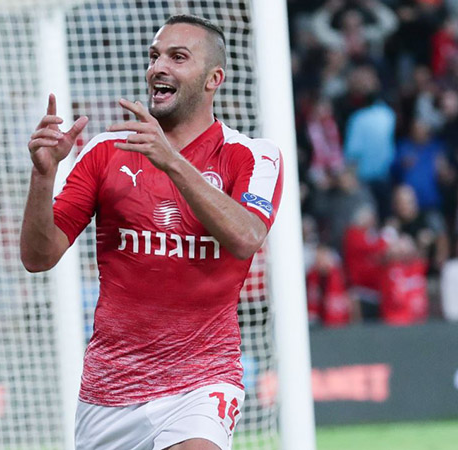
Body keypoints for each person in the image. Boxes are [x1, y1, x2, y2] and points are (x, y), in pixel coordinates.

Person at [20, 15, 283, 450]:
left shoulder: (253, 156)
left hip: (203, 378)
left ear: (213, 79)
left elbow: (246, 237)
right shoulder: (106, 151)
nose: (158, 67)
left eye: (178, 57)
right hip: (110, 389)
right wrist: (43, 176)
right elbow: (38, 257)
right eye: (155, 56)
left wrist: (172, 162)